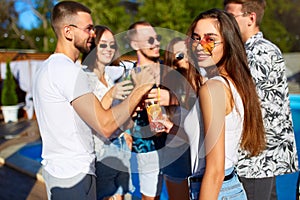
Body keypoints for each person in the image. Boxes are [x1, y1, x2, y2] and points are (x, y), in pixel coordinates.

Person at [32, 1, 154, 199]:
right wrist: (139, 91)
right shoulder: (69, 72)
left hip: (61, 172)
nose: (92, 33)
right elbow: (104, 125)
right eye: (88, 28)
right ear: (68, 31)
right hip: (74, 175)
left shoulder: (47, 68)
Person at [159, 8, 266, 199]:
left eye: (210, 39)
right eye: (195, 38)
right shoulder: (233, 83)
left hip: (215, 190)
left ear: (228, 42)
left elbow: (215, 170)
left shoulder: (213, 89)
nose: (200, 46)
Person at [224, 1, 299, 199]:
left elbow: (244, 99)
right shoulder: (243, 52)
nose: (225, 23)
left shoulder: (261, 52)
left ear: (251, 18)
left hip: (255, 157)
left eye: (230, 17)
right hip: (256, 156)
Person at [82, 25, 134, 200]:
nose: (109, 49)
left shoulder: (111, 77)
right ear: (93, 46)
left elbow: (116, 112)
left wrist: (126, 132)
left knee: (122, 196)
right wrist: (111, 94)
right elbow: (95, 117)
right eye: (103, 44)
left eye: (112, 44)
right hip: (101, 150)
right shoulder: (84, 78)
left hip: (120, 146)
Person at [161, 37, 193, 200]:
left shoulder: (203, 80)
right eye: (180, 56)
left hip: (200, 154)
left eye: (188, 53)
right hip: (177, 154)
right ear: (172, 62)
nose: (186, 58)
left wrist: (174, 99)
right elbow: (158, 126)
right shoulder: (167, 86)